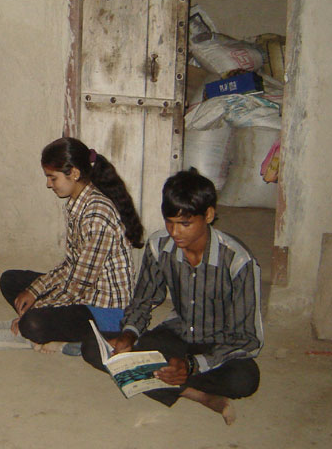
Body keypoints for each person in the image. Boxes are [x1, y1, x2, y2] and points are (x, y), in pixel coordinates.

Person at [81, 169, 263, 425]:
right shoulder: (160, 246)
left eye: (185, 224)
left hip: (219, 344)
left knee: (245, 380)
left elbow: (248, 339)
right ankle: (196, 394)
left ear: (208, 215)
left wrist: (192, 365)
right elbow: (143, 300)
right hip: (177, 335)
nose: (175, 232)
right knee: (95, 348)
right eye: (170, 222)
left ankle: (168, 379)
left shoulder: (238, 261)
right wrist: (129, 335)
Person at [0, 137, 144, 354]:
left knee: (32, 323)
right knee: (10, 281)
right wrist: (34, 291)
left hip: (104, 310)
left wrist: (38, 306)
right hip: (83, 292)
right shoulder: (77, 204)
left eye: (52, 178)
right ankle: (53, 324)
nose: (48, 184)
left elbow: (79, 284)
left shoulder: (97, 214)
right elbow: (70, 266)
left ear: (74, 174)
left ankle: (80, 342)